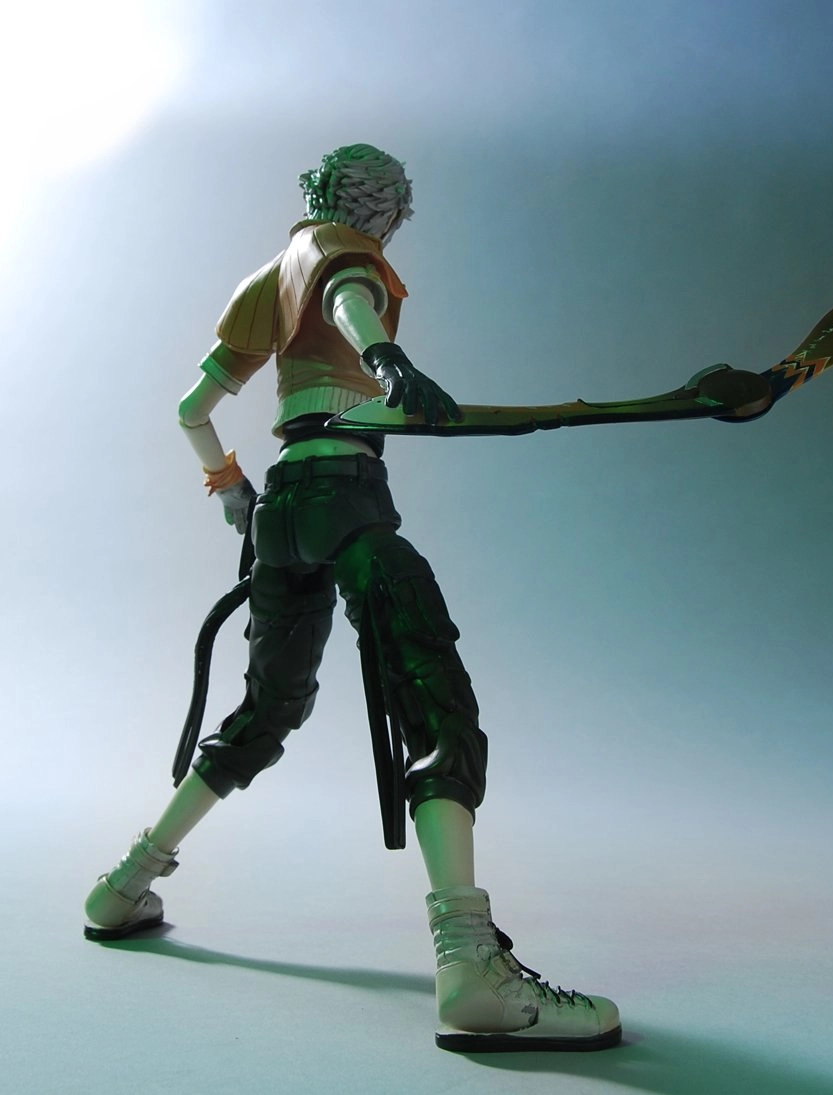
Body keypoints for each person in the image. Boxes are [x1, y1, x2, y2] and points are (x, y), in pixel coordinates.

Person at [83, 143, 621, 1052]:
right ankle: (471, 968)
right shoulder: (346, 256)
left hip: (283, 508)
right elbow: (349, 296)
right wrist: (389, 360)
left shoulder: (266, 281)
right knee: (434, 699)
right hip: (346, 496)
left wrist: (232, 489)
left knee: (267, 709)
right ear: (383, 211)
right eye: (392, 212)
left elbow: (192, 409)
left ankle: (123, 886)